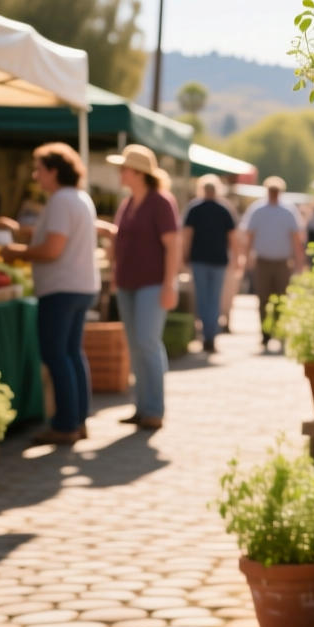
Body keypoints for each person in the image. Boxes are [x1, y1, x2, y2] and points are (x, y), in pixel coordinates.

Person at [1, 144, 99, 446]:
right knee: (71, 353)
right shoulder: (80, 198)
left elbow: (53, 249)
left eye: (39, 168)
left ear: (54, 170)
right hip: (82, 286)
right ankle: (78, 420)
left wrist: (15, 252)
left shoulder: (60, 201)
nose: (35, 175)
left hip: (61, 288)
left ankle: (66, 424)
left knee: (57, 355)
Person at [108, 145, 181, 431]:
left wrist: (168, 285)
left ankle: (155, 410)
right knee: (136, 345)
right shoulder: (127, 204)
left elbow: (172, 246)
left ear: (137, 172)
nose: (119, 172)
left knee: (148, 344)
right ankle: (141, 407)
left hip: (152, 284)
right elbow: (121, 240)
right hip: (128, 283)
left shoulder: (161, 202)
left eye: (123, 167)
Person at [240, 175, 306, 352]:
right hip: (263, 260)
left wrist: (299, 262)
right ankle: (265, 333)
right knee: (262, 298)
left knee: (281, 298)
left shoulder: (288, 210)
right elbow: (250, 235)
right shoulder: (258, 209)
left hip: (282, 261)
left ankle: (279, 330)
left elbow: (296, 238)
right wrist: (246, 258)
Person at [182, 175, 239, 352]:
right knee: (214, 299)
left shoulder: (195, 208)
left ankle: (207, 335)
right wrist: (237, 259)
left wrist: (184, 256)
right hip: (217, 260)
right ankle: (210, 336)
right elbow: (233, 238)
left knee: (202, 298)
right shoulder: (224, 209)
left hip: (200, 259)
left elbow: (186, 236)